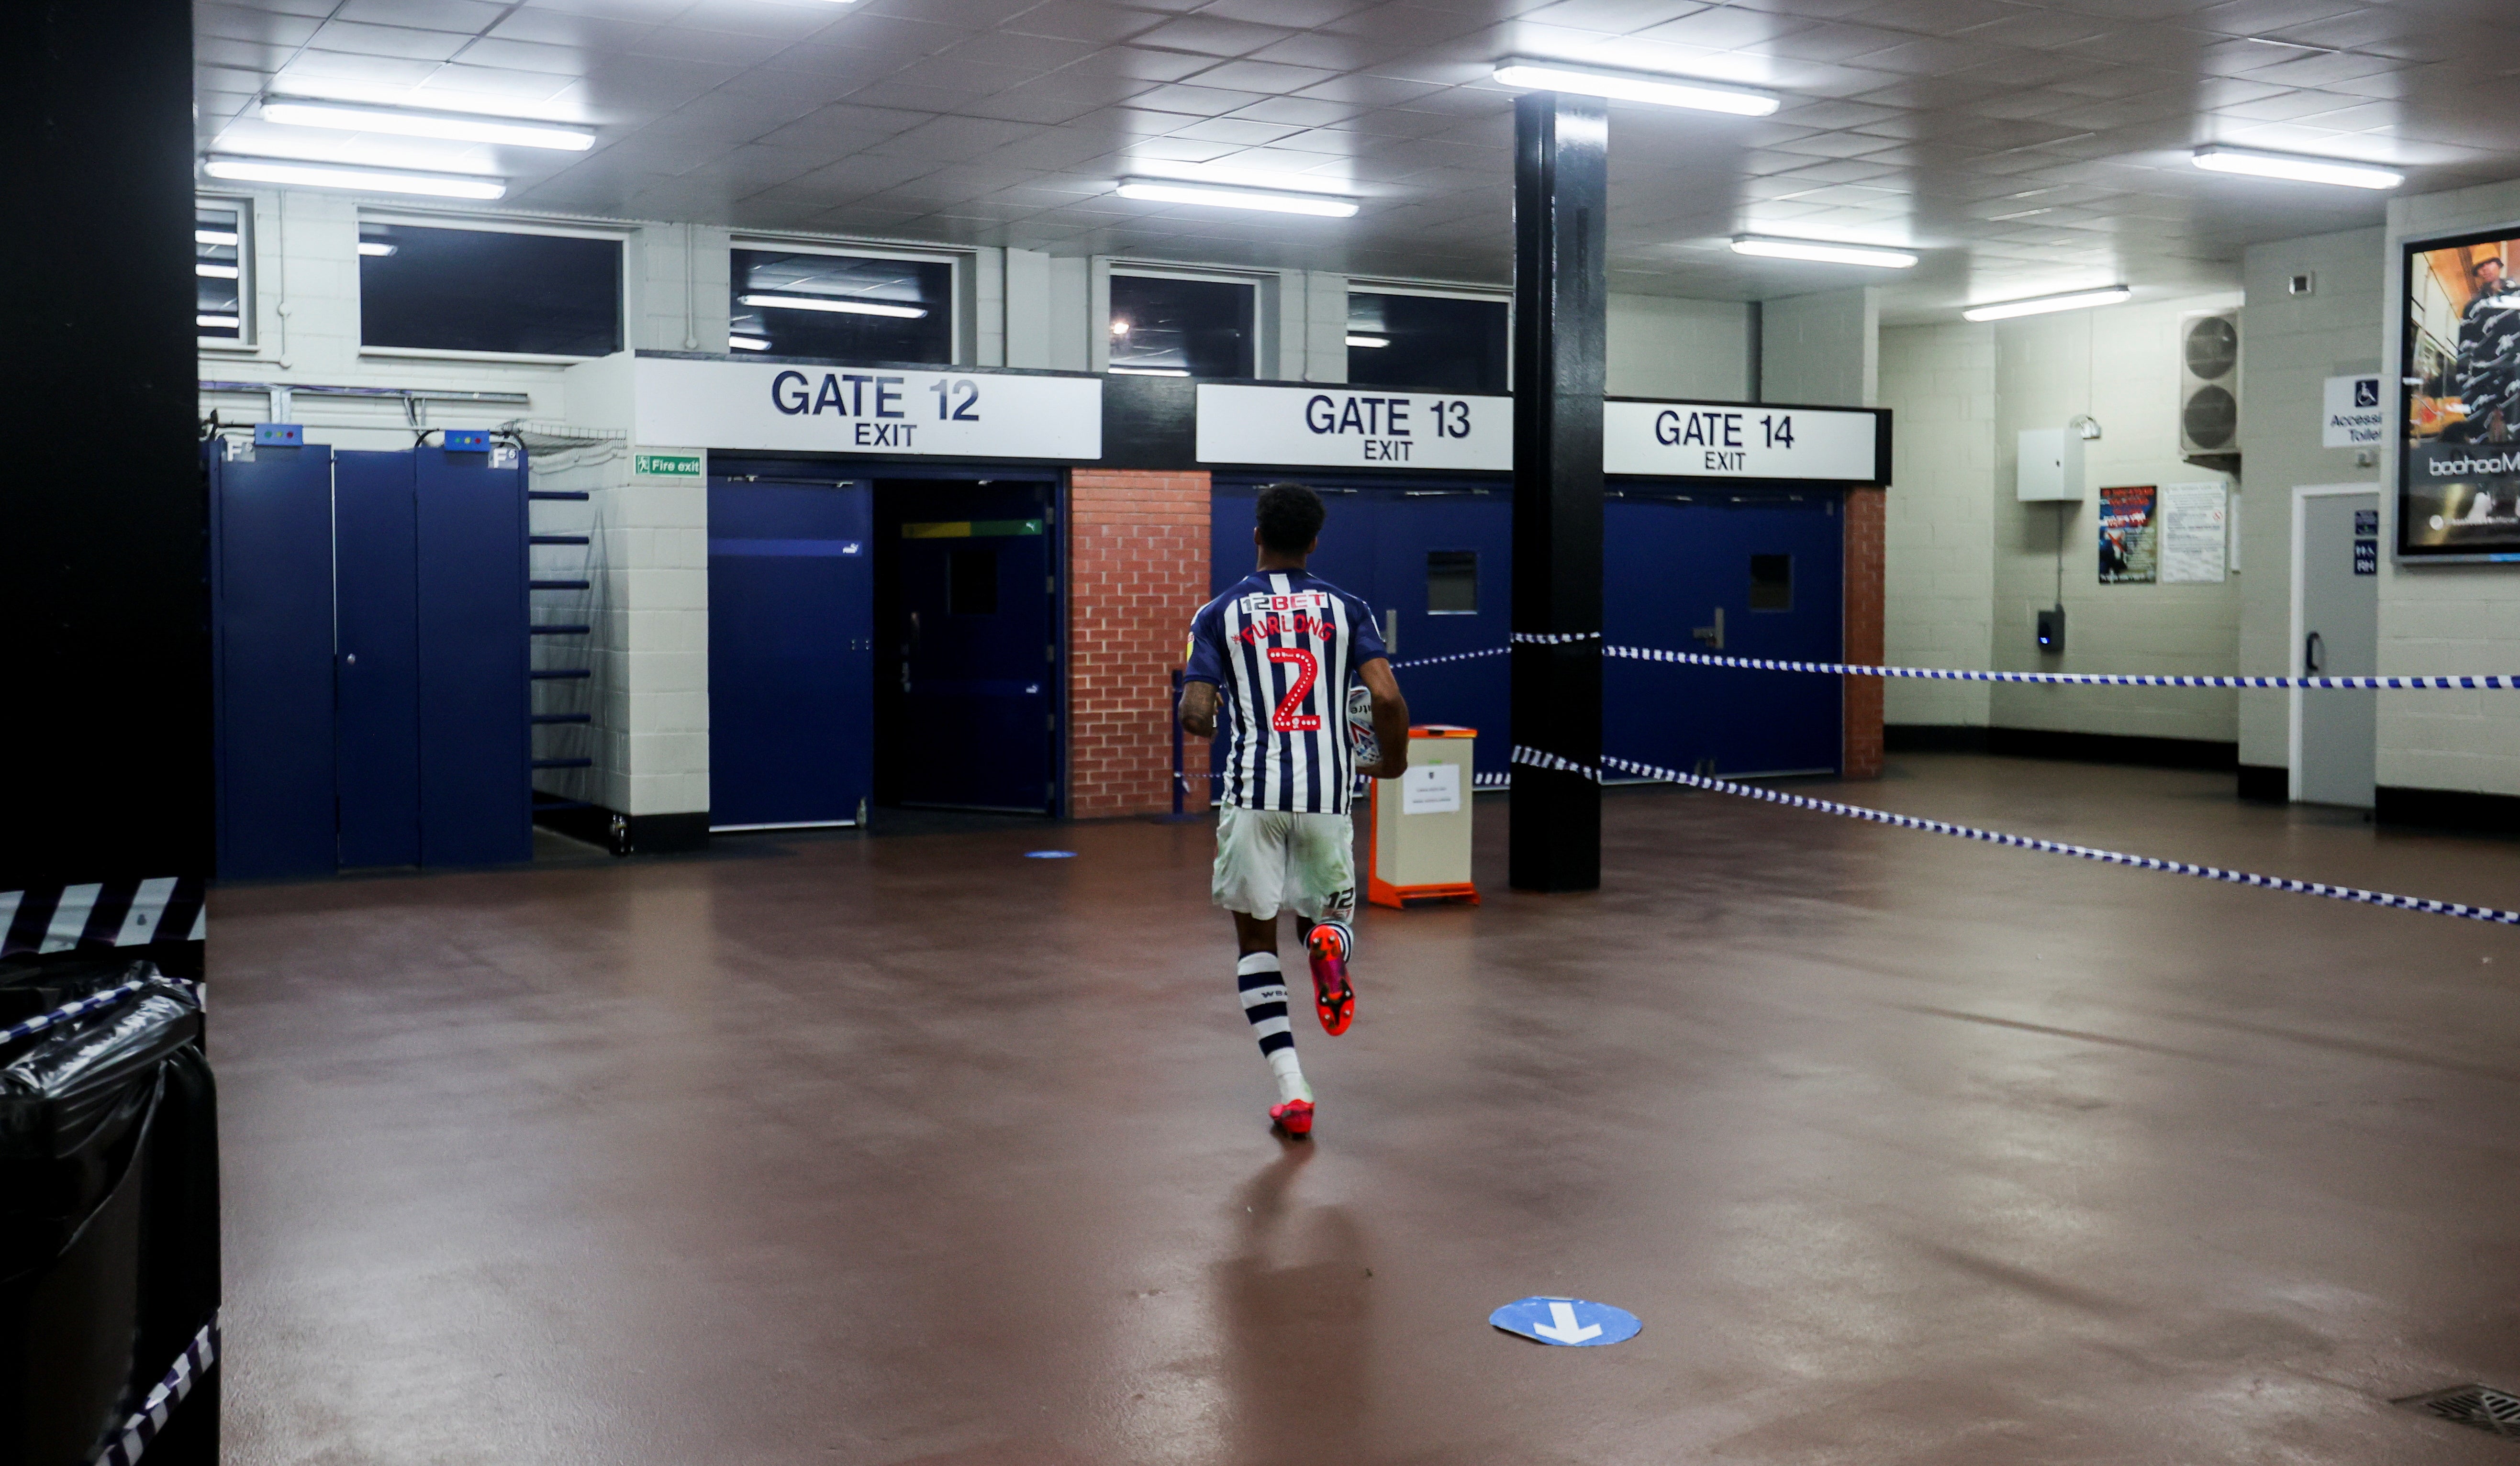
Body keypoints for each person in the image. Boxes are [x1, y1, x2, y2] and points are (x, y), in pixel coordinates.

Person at [1180, 483, 1410, 1138]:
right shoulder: (1346, 608)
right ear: (1313, 542)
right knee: (1323, 915)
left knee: (1255, 942)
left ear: (1256, 536)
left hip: (1254, 794)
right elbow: (1387, 700)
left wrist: (1206, 711)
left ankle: (1293, 1089)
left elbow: (1196, 713)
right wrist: (1389, 763)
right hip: (1326, 793)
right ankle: (1330, 946)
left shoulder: (1218, 612)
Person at [2453, 252, 2520, 444]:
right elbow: (2465, 345)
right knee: (2479, 436)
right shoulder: (2473, 307)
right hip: (2483, 376)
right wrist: (2464, 381)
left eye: (2489, 263)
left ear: (2498, 264)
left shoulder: (2517, 295)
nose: (2485, 269)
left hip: (2514, 371)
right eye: (2480, 266)